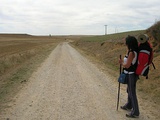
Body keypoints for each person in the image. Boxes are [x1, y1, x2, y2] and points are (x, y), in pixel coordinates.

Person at [119, 35, 140, 118]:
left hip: (131, 74)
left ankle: (135, 112)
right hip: (130, 74)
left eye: (126, 42)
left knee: (132, 92)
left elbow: (127, 65)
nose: (125, 43)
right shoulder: (131, 51)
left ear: (129, 43)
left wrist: (121, 63)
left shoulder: (132, 53)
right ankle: (129, 105)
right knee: (129, 91)